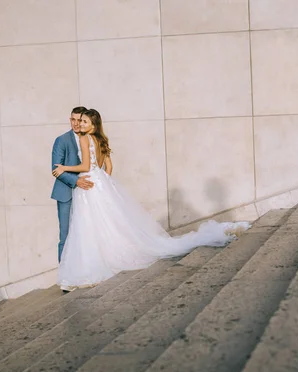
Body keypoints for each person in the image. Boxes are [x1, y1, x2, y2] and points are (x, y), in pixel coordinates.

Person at [52, 109, 250, 292]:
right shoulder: (95, 139)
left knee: (88, 225)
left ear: (92, 124)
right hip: (98, 181)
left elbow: (85, 164)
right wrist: (103, 181)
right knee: (104, 223)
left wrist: (64, 168)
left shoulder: (86, 139)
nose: (80, 124)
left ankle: (87, 266)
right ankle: (97, 259)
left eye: (84, 121)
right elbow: (107, 167)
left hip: (88, 183)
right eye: (78, 120)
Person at [51, 106, 94, 262]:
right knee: (66, 235)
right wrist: (76, 181)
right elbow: (55, 169)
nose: (76, 123)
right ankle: (65, 278)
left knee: (86, 233)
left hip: (87, 192)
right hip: (66, 193)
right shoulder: (61, 140)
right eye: (73, 119)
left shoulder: (91, 138)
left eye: (79, 120)